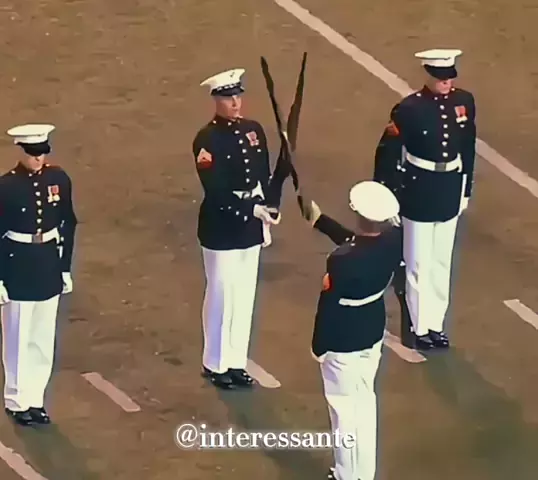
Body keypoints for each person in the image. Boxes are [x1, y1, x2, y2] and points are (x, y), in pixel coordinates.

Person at [373, 48, 477, 351]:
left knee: (442, 262)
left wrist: (466, 187)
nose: (447, 82)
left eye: (449, 77)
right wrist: (387, 194)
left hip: (449, 186)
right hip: (418, 189)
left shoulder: (464, 101)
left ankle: (435, 324)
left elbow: (467, 146)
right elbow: (388, 152)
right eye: (441, 77)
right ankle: (419, 328)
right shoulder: (409, 109)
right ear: (429, 75)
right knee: (418, 262)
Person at [300, 181, 402, 480]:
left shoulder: (341, 260)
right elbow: (357, 242)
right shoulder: (394, 240)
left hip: (343, 339)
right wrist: (320, 221)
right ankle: (362, 472)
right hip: (371, 329)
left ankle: (348, 475)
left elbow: (328, 306)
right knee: (364, 405)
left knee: (344, 410)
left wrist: (318, 347)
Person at [193, 68, 281, 390]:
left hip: (250, 225)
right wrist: (251, 209)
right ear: (216, 100)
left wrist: (271, 205)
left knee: (244, 296)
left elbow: (265, 175)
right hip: (222, 226)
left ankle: (235, 361)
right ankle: (215, 363)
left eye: (237, 96)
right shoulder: (207, 139)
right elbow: (215, 190)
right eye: (228, 97)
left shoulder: (253, 131)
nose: (235, 103)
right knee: (221, 295)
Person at [0, 124, 78, 426]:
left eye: (42, 153)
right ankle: (17, 400)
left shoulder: (58, 179)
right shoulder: (7, 187)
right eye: (33, 153)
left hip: (47, 264)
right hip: (17, 266)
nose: (38, 158)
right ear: (21, 151)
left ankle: (35, 399)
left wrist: (64, 267)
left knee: (43, 338)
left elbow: (68, 223)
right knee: (18, 337)